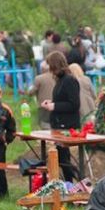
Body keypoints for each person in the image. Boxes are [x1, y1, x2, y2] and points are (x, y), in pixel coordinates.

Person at [40, 52, 80, 181]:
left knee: (64, 159)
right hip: (59, 124)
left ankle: (75, 181)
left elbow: (74, 104)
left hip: (67, 126)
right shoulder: (61, 80)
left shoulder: (69, 80)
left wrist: (54, 106)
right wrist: (51, 103)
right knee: (62, 158)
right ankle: (68, 184)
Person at [28, 55, 57, 129]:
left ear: (42, 69)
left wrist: (28, 91)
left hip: (44, 105)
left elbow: (31, 92)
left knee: (44, 125)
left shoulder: (39, 78)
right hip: (56, 104)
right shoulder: (57, 76)